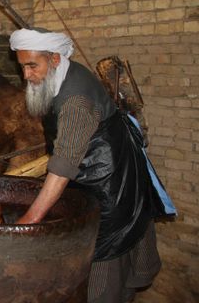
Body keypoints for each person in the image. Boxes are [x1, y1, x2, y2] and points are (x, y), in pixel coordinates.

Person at [9, 27, 176, 303]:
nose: (26, 75)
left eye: (31, 66)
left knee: (104, 259)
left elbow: (63, 166)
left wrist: (30, 219)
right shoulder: (66, 75)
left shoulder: (76, 100)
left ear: (55, 60)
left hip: (110, 184)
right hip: (101, 168)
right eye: (22, 66)